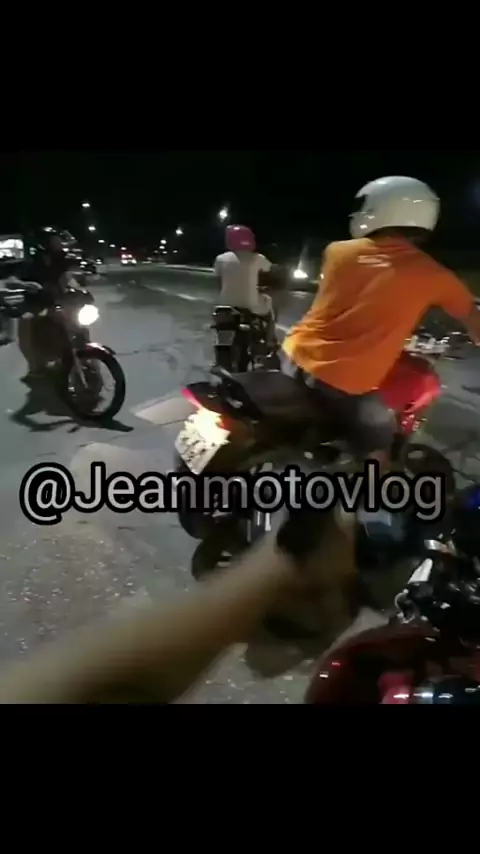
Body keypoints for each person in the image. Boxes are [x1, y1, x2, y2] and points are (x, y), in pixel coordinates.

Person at [282, 175, 480, 472]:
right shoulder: (434, 275)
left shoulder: (336, 251)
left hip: (292, 356)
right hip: (340, 381)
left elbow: (363, 301)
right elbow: (471, 315)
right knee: (379, 446)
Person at [17, 228, 72, 383]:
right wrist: (27, 285)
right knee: (25, 322)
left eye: (58, 239)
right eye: (55, 240)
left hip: (59, 301)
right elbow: (19, 280)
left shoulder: (61, 258)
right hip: (37, 303)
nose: (59, 242)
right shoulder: (30, 261)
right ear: (45, 243)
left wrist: (76, 289)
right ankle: (35, 367)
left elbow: (67, 278)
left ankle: (82, 351)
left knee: (80, 320)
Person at [213, 224, 278, 350]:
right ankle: (270, 340)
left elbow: (218, 282)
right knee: (269, 308)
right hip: (251, 305)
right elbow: (270, 272)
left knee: (220, 327)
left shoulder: (220, 259)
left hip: (225, 305)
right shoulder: (259, 258)